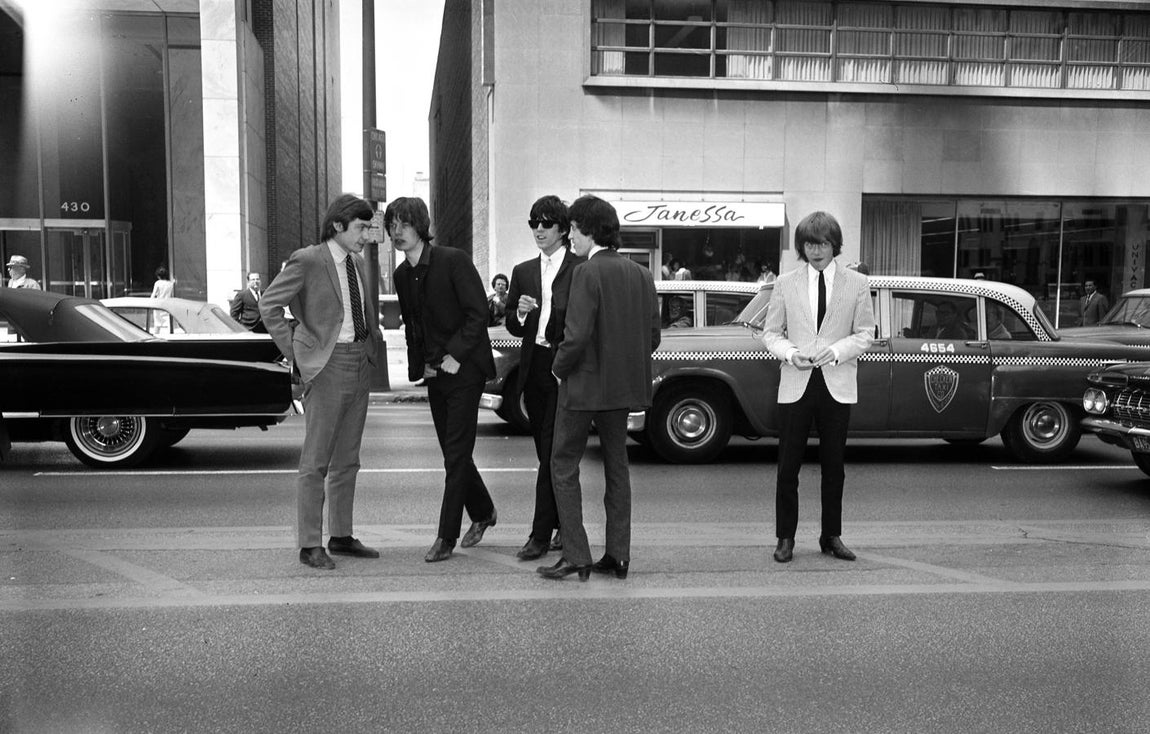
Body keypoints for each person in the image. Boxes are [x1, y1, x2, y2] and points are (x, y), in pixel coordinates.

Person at [538, 195, 660, 582]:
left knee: (562, 465)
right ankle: (618, 556)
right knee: (617, 469)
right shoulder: (640, 274)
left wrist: (558, 370)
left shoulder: (586, 273)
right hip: (622, 390)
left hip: (583, 387)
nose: (570, 236)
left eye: (573, 228)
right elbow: (653, 336)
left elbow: (574, 338)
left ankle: (576, 554)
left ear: (588, 230)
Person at [259, 193, 384, 570]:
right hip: (326, 367)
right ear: (338, 226)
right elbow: (269, 305)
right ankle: (309, 544)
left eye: (368, 227)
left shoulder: (358, 264)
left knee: (348, 460)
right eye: (361, 227)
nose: (366, 234)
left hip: (359, 361)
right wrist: (298, 350)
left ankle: (341, 535)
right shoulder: (309, 259)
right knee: (316, 462)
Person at [759, 211, 875, 565]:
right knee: (787, 467)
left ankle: (831, 536)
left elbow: (866, 333)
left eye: (823, 243)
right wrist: (790, 353)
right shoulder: (785, 283)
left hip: (836, 382)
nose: (816, 250)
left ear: (834, 245)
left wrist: (837, 351)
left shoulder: (856, 283)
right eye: (809, 244)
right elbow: (770, 333)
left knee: (834, 466)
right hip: (797, 381)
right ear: (801, 247)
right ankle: (785, 538)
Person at [389, 196, 498, 563]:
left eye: (404, 224)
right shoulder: (403, 274)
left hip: (465, 369)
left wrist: (455, 355)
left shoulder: (453, 260)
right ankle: (483, 510)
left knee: (455, 454)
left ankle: (445, 537)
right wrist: (419, 368)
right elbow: (413, 327)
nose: (397, 231)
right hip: (436, 372)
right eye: (392, 225)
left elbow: (477, 313)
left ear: (421, 226)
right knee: (454, 453)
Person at [505, 195, 583, 561]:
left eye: (546, 223)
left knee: (553, 454)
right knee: (546, 452)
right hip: (535, 367)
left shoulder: (580, 268)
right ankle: (560, 527)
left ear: (563, 230)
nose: (538, 229)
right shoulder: (522, 271)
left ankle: (541, 534)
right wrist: (520, 314)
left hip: (564, 368)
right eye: (533, 222)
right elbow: (510, 323)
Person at [150, 266, 174, 333]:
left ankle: (155, 337)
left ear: (158, 276)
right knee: (168, 323)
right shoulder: (170, 284)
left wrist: (150, 302)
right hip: (167, 305)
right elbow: (172, 295)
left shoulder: (157, 283)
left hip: (158, 305)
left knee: (157, 323)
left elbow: (154, 294)